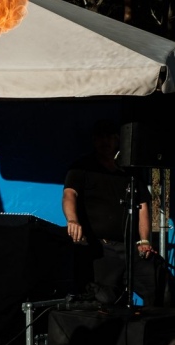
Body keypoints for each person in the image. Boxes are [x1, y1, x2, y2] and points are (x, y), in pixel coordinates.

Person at [63, 119, 166, 306]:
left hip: (129, 247)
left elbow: (142, 204)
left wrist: (144, 240)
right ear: (94, 140)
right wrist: (73, 220)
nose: (106, 141)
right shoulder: (82, 167)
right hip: (101, 248)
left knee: (158, 283)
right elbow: (70, 194)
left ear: (118, 140)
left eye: (110, 137)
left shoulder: (129, 172)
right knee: (105, 299)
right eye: (101, 137)